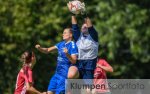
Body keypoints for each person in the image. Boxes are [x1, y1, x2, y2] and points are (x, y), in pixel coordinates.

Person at [35, 28, 79, 94]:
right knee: (49, 92)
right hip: (57, 74)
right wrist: (40, 48)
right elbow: (47, 50)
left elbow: (74, 61)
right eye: (63, 33)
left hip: (64, 75)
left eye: (65, 33)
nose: (63, 34)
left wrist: (67, 54)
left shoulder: (72, 45)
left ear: (71, 35)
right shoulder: (61, 44)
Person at [68, 2, 99, 80]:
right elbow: (74, 26)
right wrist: (72, 13)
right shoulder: (79, 36)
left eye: (86, 26)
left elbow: (90, 27)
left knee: (88, 91)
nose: (85, 26)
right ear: (81, 29)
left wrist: (84, 14)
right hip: (79, 64)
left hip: (89, 66)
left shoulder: (93, 36)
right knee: (71, 75)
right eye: (83, 26)